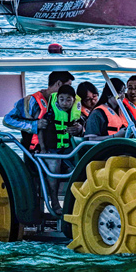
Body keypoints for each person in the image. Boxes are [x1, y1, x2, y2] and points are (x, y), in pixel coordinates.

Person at [37, 84, 83, 214]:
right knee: (54, 167)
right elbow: (41, 131)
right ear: (57, 99)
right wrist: (43, 148)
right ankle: (55, 202)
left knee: (80, 167)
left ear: (74, 100)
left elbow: (82, 129)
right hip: (52, 149)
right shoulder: (50, 114)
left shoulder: (76, 116)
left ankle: (76, 203)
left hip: (68, 149)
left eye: (68, 100)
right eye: (61, 99)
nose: (65, 103)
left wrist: (78, 128)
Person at [3, 70, 74, 151]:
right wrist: (34, 125)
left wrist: (78, 128)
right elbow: (7, 120)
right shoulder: (31, 101)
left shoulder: (68, 102)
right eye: (69, 85)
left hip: (62, 148)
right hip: (38, 151)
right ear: (59, 84)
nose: (70, 89)